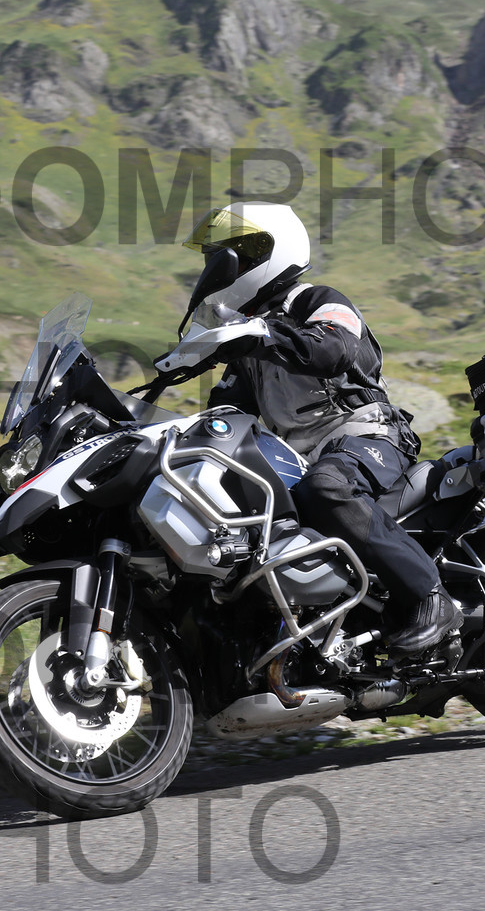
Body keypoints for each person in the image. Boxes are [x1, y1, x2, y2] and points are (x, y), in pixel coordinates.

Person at [179, 201, 463, 653]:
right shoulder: (247, 345)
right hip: (300, 460)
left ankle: (431, 597)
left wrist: (262, 335)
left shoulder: (314, 301)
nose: (218, 269)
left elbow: (334, 349)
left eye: (229, 257)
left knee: (327, 487)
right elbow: (223, 416)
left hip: (367, 434)